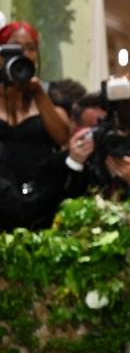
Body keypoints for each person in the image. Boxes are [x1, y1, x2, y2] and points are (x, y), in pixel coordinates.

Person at [0, 21, 70, 229]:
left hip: (40, 200)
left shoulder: (46, 95)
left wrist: (38, 93)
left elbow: (62, 137)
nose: (24, 54)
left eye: (31, 48)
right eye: (16, 48)